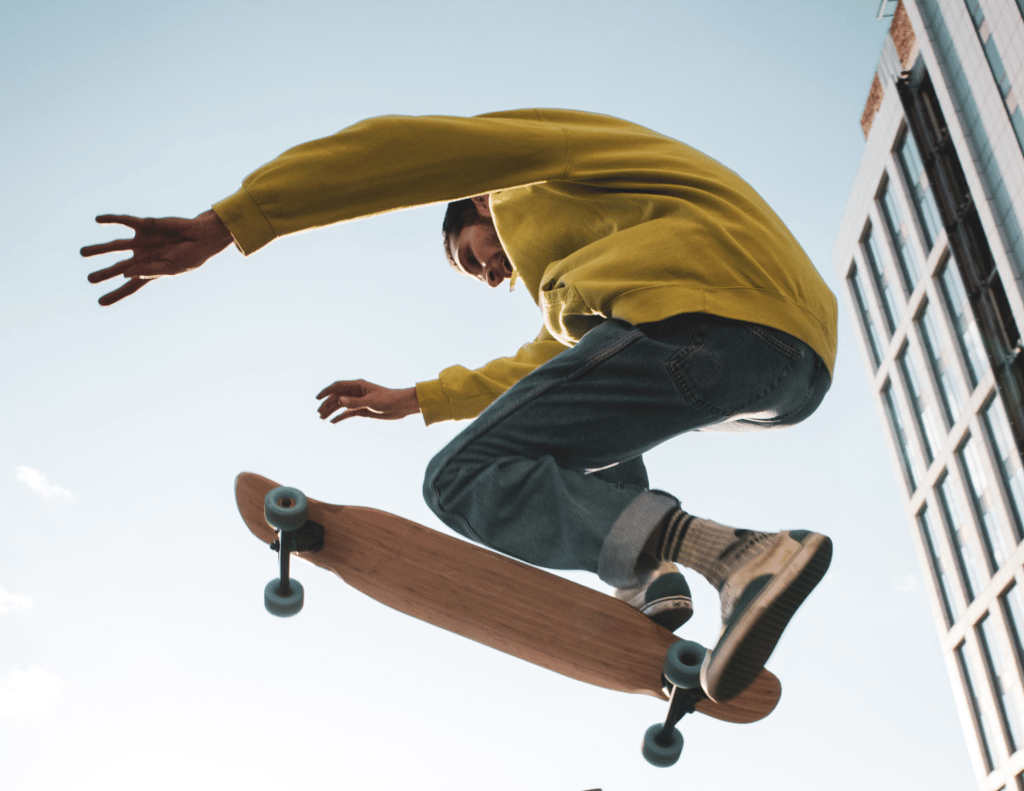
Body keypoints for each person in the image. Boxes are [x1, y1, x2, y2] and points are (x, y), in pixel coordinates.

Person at [81, 108, 837, 702]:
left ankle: (733, 552)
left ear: (479, 202)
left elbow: (403, 151)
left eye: (476, 253)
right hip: (787, 367)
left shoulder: (537, 165)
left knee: (463, 477)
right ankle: (649, 574)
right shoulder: (603, 272)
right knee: (571, 402)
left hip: (711, 327)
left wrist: (232, 221)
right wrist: (416, 398)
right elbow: (541, 372)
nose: (491, 272)